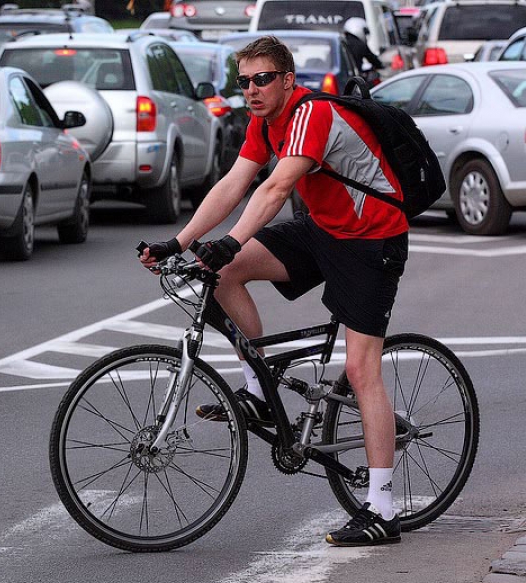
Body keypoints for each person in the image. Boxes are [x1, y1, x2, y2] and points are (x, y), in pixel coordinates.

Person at [139, 36, 409, 547]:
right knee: (219, 270)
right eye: (244, 81)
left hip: (372, 240)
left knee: (360, 370)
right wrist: (180, 241)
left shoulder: (313, 114)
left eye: (262, 78)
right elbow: (234, 183)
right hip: (324, 230)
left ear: (287, 79)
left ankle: (382, 508)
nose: (252, 90)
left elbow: (276, 188)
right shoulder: (265, 123)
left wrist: (233, 239)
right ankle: (260, 393)